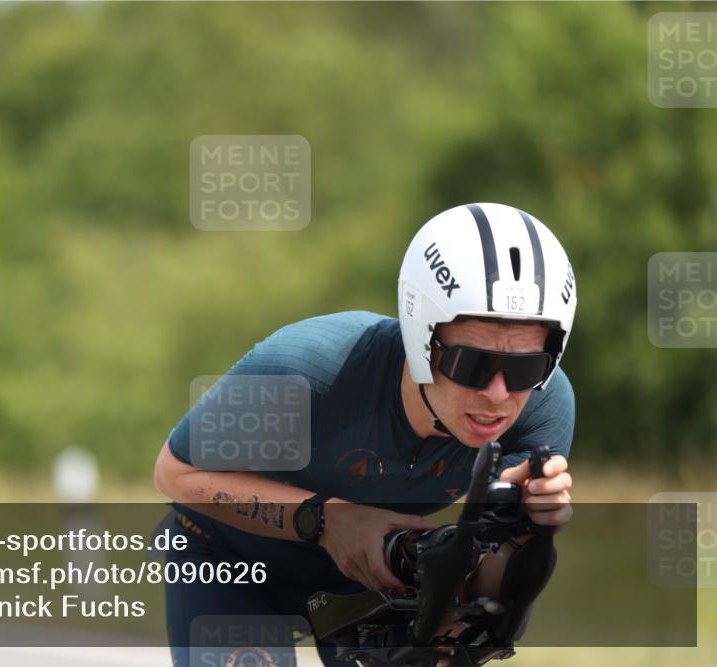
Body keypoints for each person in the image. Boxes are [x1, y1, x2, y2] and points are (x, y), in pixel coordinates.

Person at [153, 203, 577, 666]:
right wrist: (327, 519)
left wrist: (523, 537)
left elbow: (487, 584)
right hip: (232, 560)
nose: (498, 394)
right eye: (471, 364)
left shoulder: (543, 407)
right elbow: (174, 474)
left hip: (371, 578)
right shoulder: (311, 369)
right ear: (423, 338)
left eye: (526, 366)